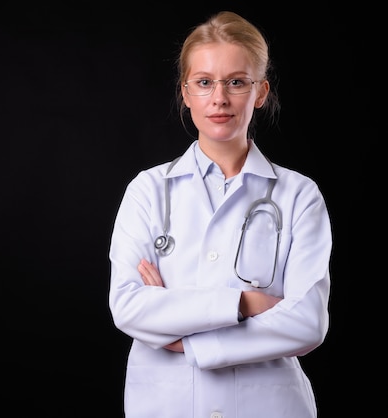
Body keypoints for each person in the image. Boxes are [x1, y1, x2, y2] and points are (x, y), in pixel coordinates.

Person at [108, 10, 332, 418]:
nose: (219, 98)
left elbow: (307, 322)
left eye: (236, 82)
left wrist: (185, 333)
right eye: (204, 82)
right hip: (166, 404)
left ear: (260, 92)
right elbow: (128, 306)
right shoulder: (147, 191)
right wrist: (246, 303)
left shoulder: (300, 196)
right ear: (186, 91)